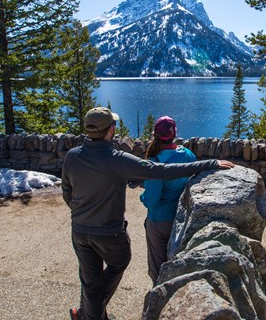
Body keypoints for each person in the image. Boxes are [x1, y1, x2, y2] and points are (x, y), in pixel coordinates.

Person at [62, 107, 234, 320]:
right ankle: (91, 313)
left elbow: (67, 192)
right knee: (118, 263)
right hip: (108, 232)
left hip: (79, 230)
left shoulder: (72, 156)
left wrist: (82, 213)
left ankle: (88, 313)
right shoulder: (118, 159)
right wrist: (210, 163)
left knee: (90, 279)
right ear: (111, 130)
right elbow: (160, 171)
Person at [140, 116, 195, 284]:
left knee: (158, 266)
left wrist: (143, 197)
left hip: (160, 221)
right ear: (174, 134)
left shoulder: (155, 163)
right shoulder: (188, 155)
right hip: (182, 217)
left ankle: (158, 296)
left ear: (155, 135)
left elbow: (152, 200)